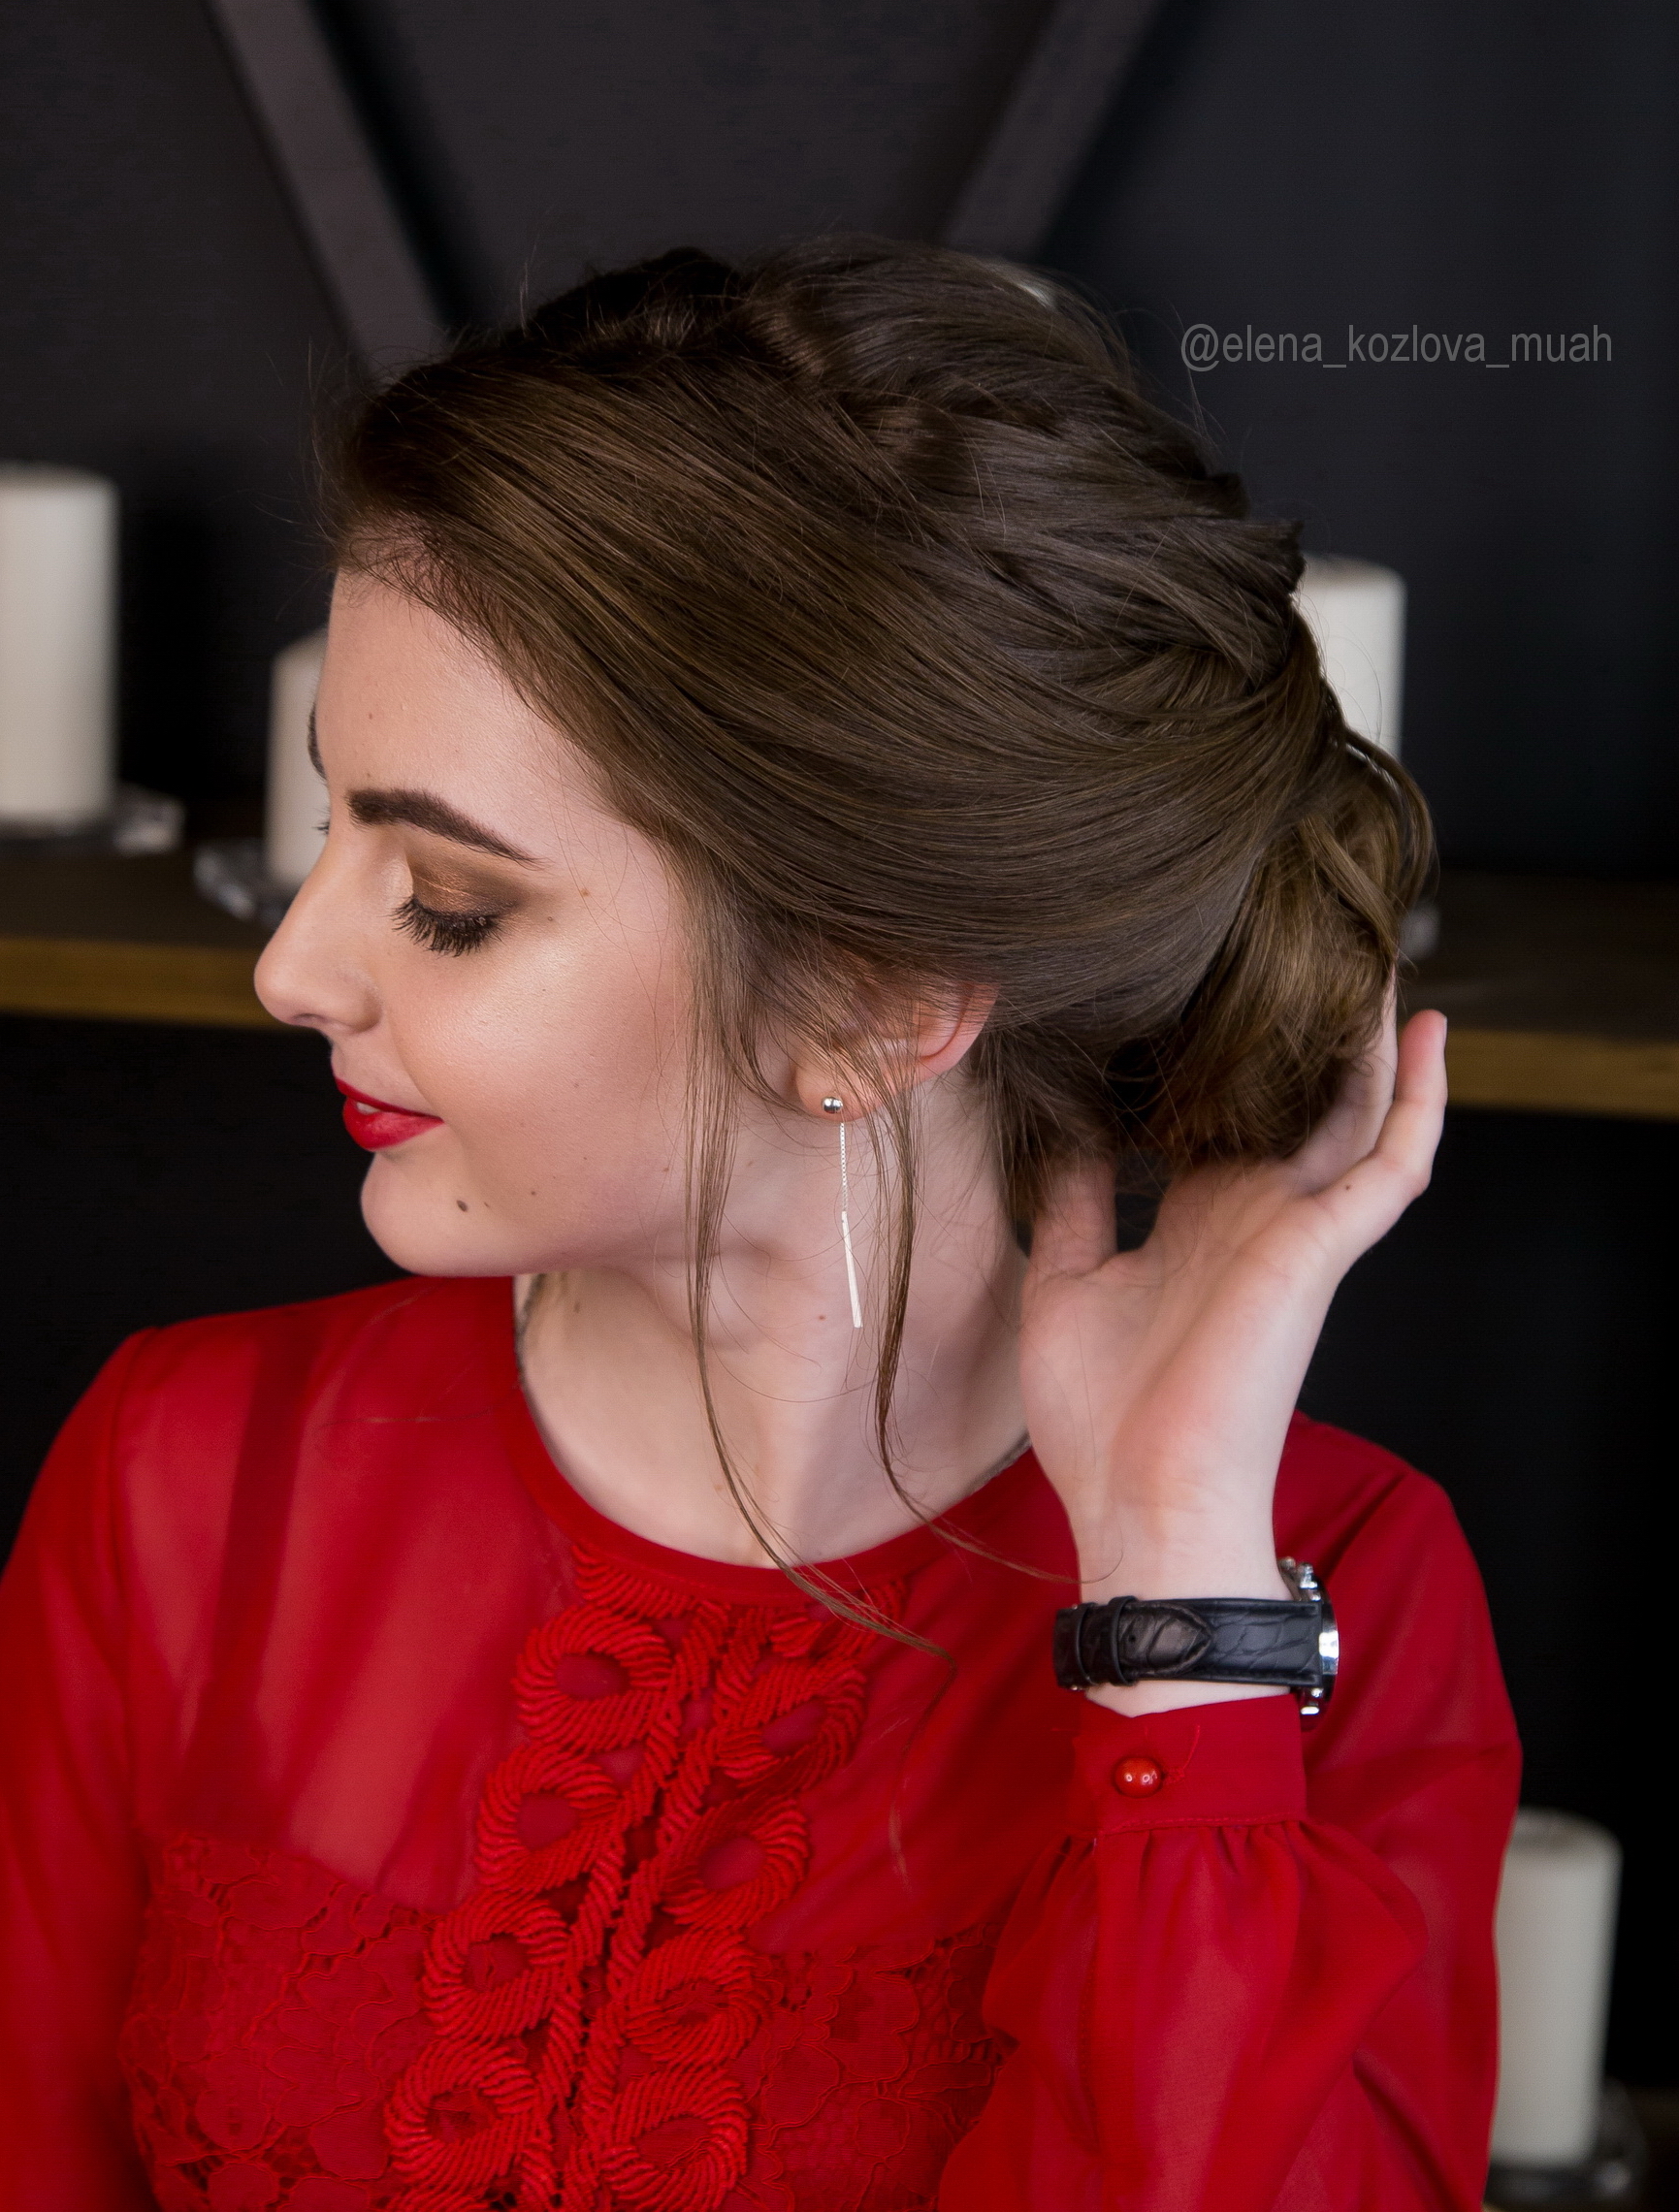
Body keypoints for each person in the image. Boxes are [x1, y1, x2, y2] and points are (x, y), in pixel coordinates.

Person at [0, 242, 1518, 2212]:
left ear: (871, 1004)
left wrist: (1172, 1602)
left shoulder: (1328, 1589)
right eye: (324, 830)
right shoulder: (190, 1471)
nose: (293, 968)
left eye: (450, 897)